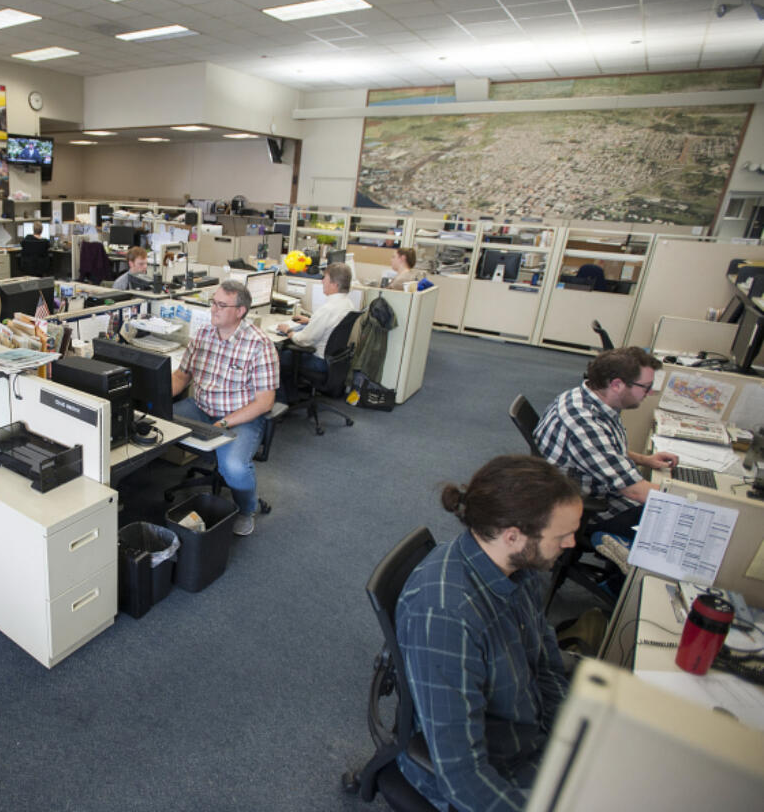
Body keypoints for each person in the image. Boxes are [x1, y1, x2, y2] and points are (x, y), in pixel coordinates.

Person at [397, 455, 582, 812]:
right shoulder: (448, 617)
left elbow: (545, 665)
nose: (573, 543)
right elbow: (463, 776)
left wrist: (570, 736)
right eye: (563, 535)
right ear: (513, 536)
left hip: (531, 737)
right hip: (499, 772)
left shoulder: (519, 568)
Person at [533, 346, 677, 544]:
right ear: (617, 384)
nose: (649, 392)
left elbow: (605, 450)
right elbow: (636, 491)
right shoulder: (583, 422)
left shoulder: (592, 398)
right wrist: (700, 501)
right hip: (582, 509)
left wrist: (645, 460)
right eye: (645, 386)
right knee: (670, 532)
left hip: (593, 489)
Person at [171, 280, 279, 536]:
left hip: (241, 417)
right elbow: (181, 376)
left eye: (221, 305)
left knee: (234, 466)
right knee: (153, 424)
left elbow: (265, 402)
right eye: (213, 302)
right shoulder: (203, 334)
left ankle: (245, 509)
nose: (213, 309)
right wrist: (155, 398)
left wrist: (224, 423)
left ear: (240, 311)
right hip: (200, 407)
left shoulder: (259, 344)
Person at [276, 262, 357, 397]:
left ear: (334, 285)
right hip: (334, 361)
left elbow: (304, 340)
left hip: (318, 362)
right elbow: (332, 325)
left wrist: (288, 331)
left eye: (325, 278)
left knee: (275, 358)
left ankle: (282, 402)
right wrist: (311, 321)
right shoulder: (348, 304)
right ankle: (292, 395)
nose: (322, 282)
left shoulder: (327, 309)